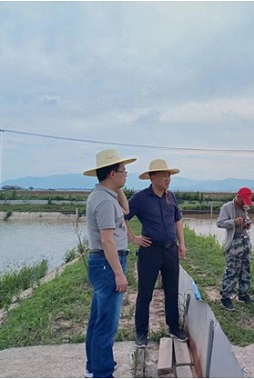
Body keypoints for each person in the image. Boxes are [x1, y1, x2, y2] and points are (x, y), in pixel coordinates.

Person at [83, 148, 136, 378]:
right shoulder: (104, 202)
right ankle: (102, 373)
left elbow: (126, 210)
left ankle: (94, 366)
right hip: (108, 264)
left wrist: (119, 189)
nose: (126, 175)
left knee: (98, 319)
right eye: (123, 172)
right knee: (107, 323)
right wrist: (118, 273)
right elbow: (107, 240)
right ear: (112, 174)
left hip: (104, 264)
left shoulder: (106, 196)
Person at [125, 158, 188, 348]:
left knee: (172, 291)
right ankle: (141, 333)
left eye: (169, 175)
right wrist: (133, 238)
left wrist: (182, 244)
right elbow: (122, 217)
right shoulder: (140, 198)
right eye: (163, 175)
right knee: (145, 294)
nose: (167, 178)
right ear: (152, 177)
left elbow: (177, 221)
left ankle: (173, 327)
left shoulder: (172, 197)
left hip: (170, 250)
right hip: (150, 252)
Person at [217, 187, 254, 311]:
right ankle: (226, 297)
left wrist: (246, 224)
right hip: (234, 242)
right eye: (243, 200)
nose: (245, 203)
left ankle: (243, 294)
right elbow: (220, 223)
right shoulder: (227, 207)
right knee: (232, 270)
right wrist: (233, 222)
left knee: (246, 268)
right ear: (237, 196)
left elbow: (245, 222)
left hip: (245, 241)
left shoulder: (244, 208)